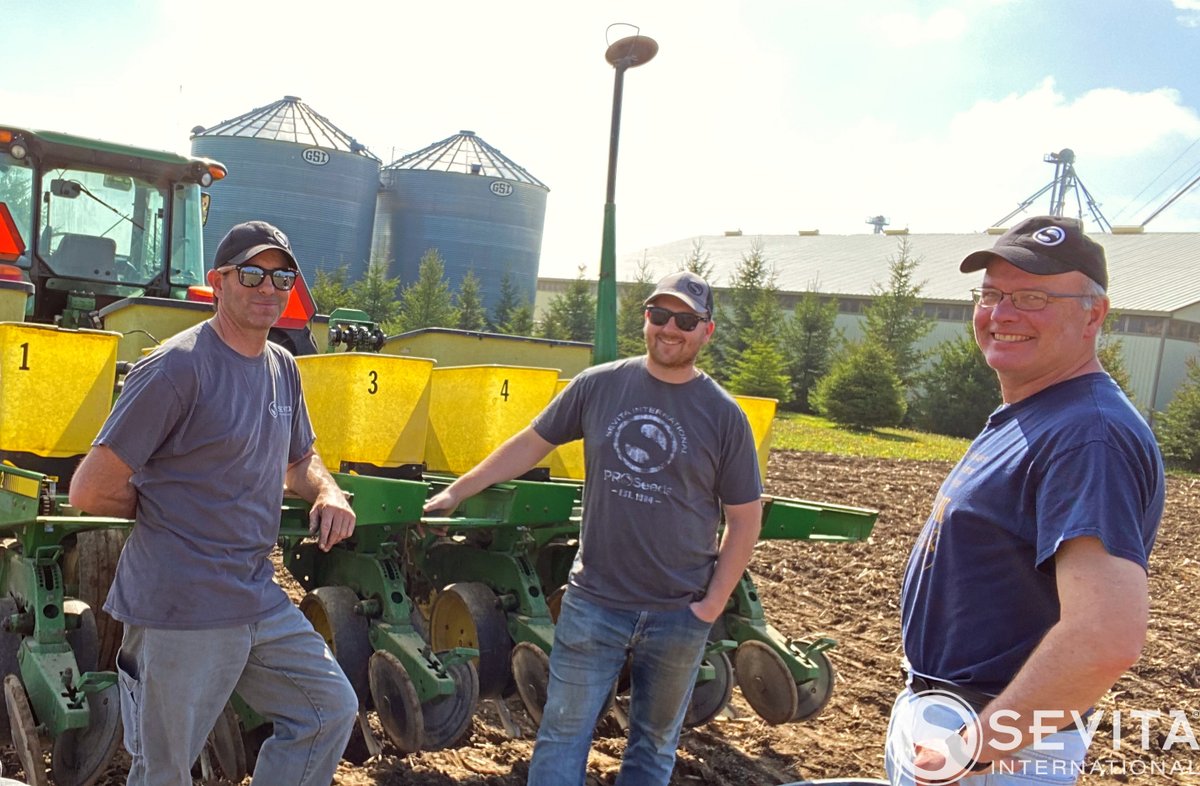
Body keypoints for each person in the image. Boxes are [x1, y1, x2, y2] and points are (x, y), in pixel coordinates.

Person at [423, 271, 764, 786]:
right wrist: (456, 491)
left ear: (706, 331)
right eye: (660, 315)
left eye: (686, 320)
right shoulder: (600, 385)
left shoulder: (723, 415)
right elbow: (529, 444)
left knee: (652, 744)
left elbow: (744, 519)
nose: (670, 329)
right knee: (563, 733)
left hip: (679, 611)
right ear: (645, 320)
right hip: (595, 602)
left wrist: (711, 606)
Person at [69, 220, 359, 786]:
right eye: (252, 273)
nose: (267, 287)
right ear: (218, 282)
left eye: (282, 277)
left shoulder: (283, 368)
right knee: (166, 770)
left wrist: (327, 489)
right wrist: (168, 509)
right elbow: (91, 487)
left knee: (327, 710)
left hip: (256, 596)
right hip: (181, 604)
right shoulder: (177, 367)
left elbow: (301, 461)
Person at [885, 216, 1165, 786]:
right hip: (956, 720)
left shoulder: (1090, 434)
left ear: (1094, 314)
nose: (1002, 314)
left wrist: (978, 749)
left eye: (1033, 296)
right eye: (991, 294)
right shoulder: (1039, 410)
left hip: (993, 745)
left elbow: (1104, 637)